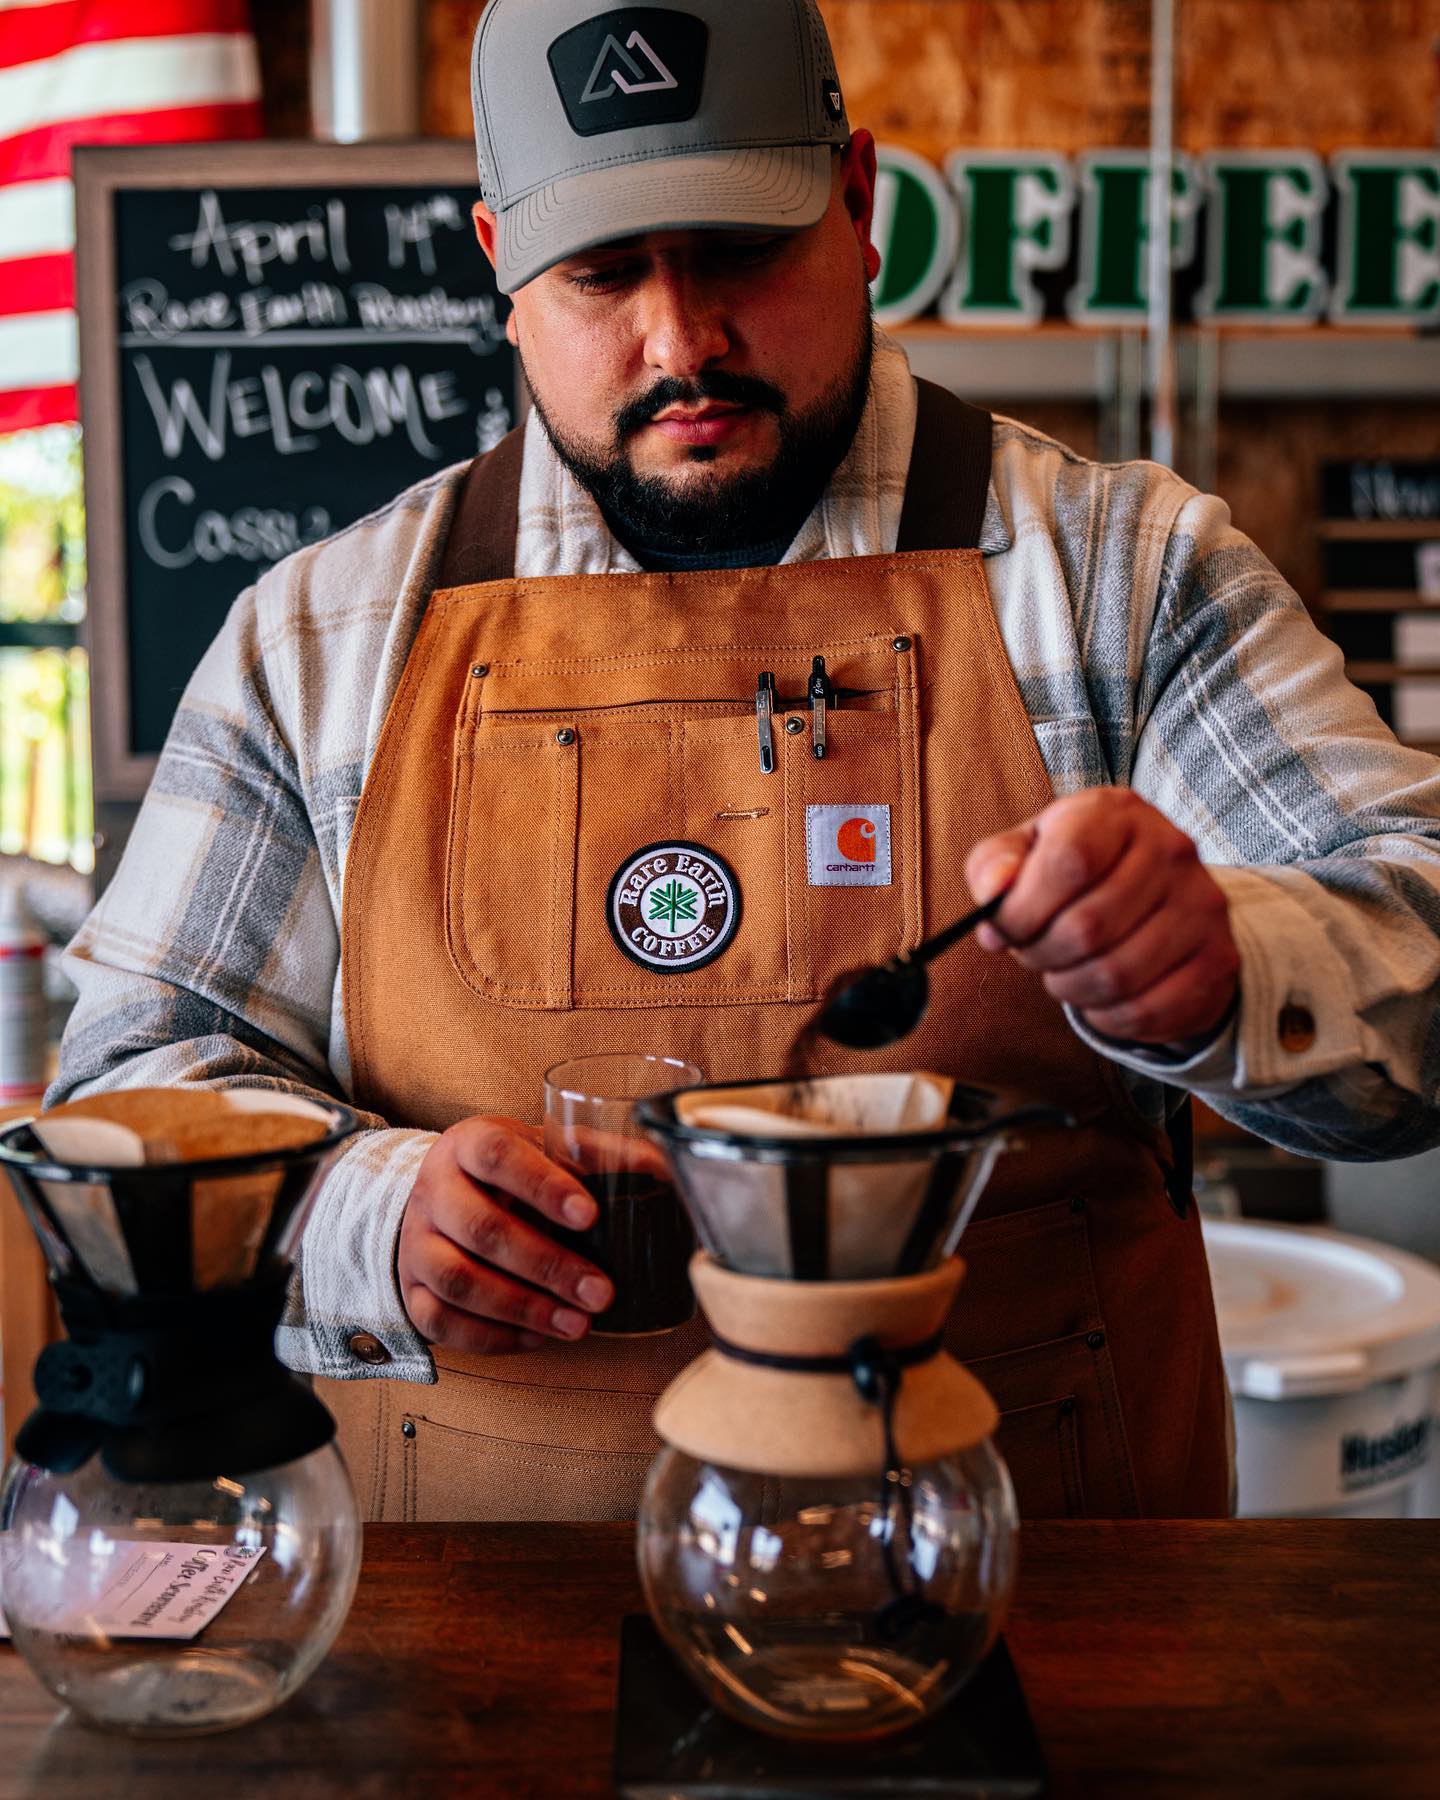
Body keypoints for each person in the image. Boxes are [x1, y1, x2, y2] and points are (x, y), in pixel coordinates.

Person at [53, 0, 1440, 1522]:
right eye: (603, 274)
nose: (682, 340)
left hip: (1055, 1623)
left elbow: (1415, 933)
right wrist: (359, 1214)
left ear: (857, 205)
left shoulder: (1123, 576)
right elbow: (130, 1086)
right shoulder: (317, 640)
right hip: (459, 1675)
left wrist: (1231, 966)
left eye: (738, 248)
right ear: (501, 267)